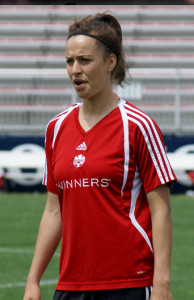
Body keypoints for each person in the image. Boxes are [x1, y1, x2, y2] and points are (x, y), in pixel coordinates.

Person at [23, 12, 176, 300]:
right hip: (70, 285)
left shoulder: (138, 126)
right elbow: (54, 211)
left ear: (110, 62)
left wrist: (162, 283)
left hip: (129, 283)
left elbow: (161, 210)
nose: (75, 70)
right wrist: (33, 280)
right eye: (69, 61)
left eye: (84, 60)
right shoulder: (56, 128)